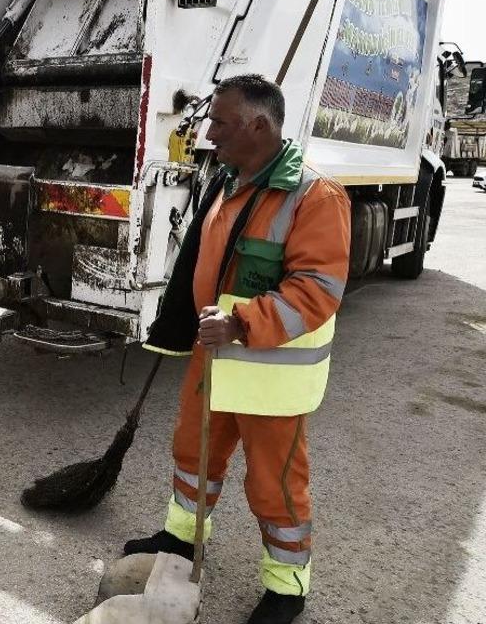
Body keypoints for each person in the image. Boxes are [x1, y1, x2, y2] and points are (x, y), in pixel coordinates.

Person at [126, 75, 351, 624]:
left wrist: (242, 322)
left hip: (270, 369)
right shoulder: (230, 179)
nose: (208, 133)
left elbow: (318, 290)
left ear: (258, 124)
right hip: (217, 352)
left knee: (273, 482)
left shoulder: (315, 196)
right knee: (194, 454)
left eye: (220, 122)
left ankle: (286, 587)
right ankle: (182, 540)